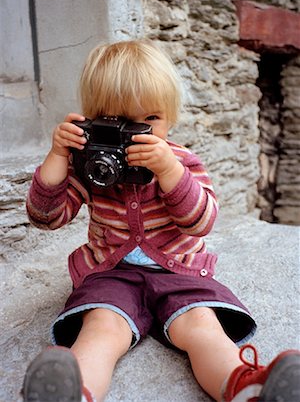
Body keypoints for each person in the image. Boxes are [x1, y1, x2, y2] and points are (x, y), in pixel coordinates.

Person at [22, 40, 299, 402]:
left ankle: (247, 388)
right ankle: (74, 393)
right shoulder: (90, 164)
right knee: (102, 329)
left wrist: (169, 171)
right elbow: (47, 218)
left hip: (179, 272)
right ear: (94, 120)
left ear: (170, 116)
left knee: (202, 327)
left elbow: (200, 222)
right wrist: (58, 157)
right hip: (112, 273)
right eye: (119, 123)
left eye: (150, 120)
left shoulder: (183, 161)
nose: (138, 135)